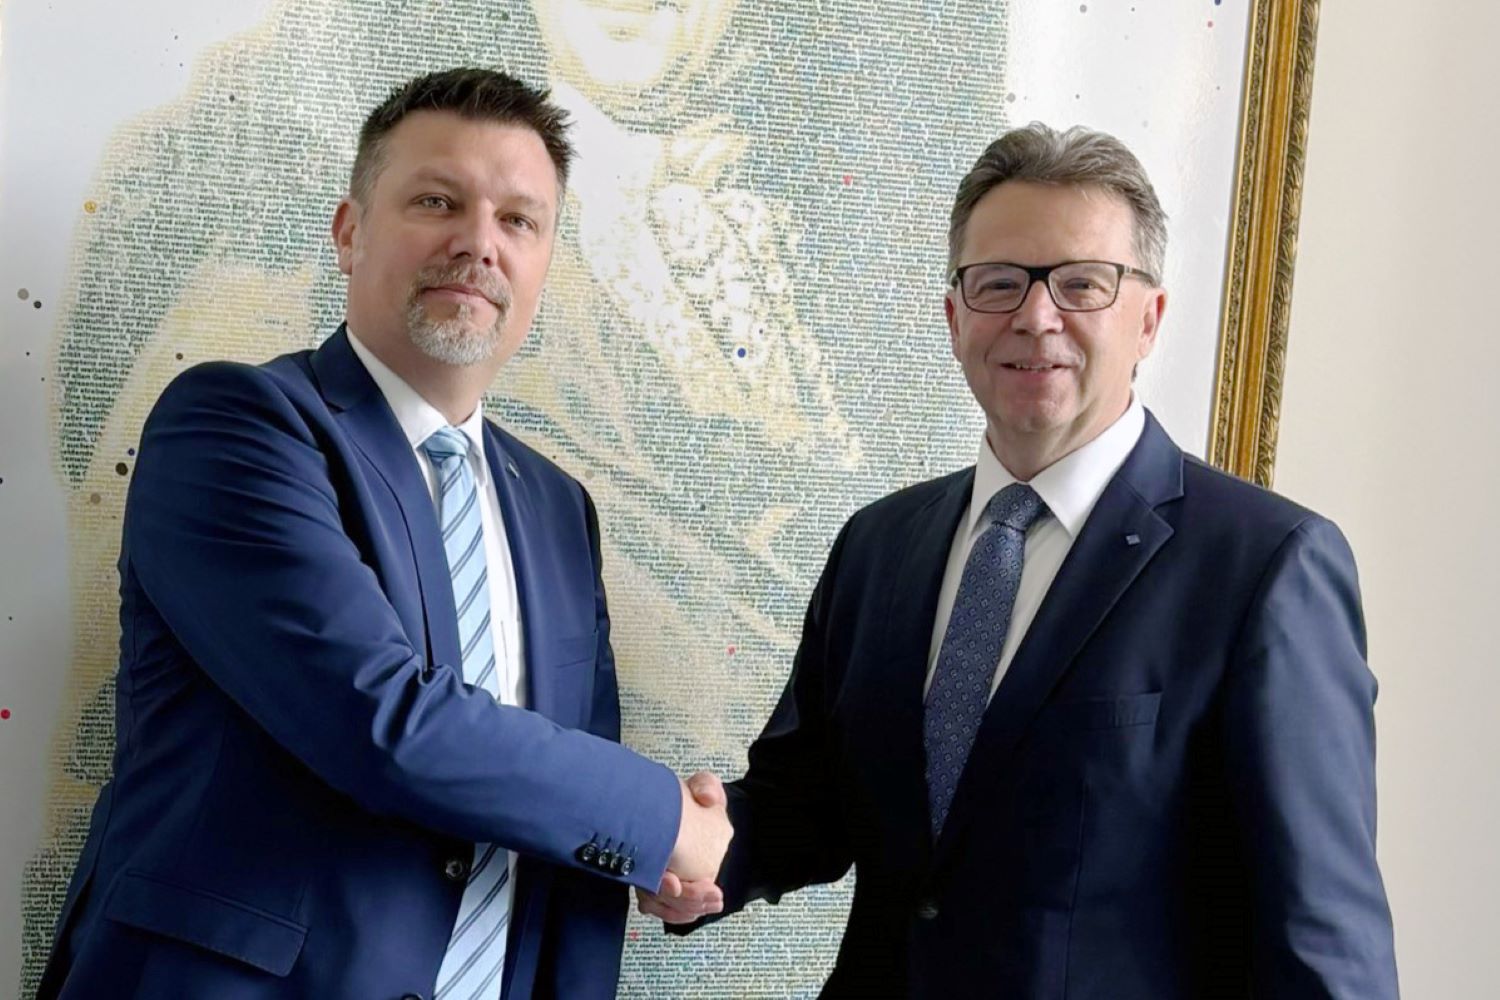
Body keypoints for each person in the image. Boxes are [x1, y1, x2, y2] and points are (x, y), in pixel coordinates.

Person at [640, 123, 1401, 998]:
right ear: (955, 317)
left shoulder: (1266, 568)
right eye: (999, 283)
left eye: (1082, 284)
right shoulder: (879, 546)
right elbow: (801, 804)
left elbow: (1324, 947)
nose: (1036, 318)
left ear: (1149, 319)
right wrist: (682, 847)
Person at [37, 68, 731, 1000]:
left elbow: (561, 795)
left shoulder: (559, 507)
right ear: (349, 232)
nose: (478, 243)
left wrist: (653, 860)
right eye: (437, 201)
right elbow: (379, 721)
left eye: (518, 220)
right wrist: (660, 820)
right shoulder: (236, 424)